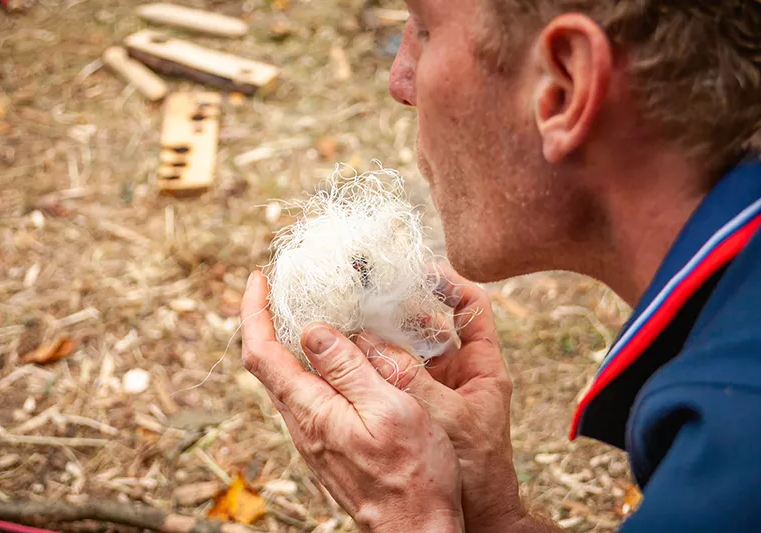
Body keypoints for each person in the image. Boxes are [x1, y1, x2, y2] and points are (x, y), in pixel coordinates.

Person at [241, 1, 761, 531]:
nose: (399, 81)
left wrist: (413, 517)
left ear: (564, 86)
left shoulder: (739, 444)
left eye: (424, 29)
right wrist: (492, 513)